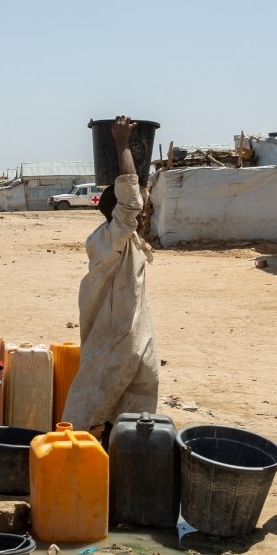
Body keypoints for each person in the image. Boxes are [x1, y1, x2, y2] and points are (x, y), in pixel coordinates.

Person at [60, 116, 160, 440]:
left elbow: (132, 200)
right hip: (114, 341)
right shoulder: (109, 239)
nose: (144, 213)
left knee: (135, 421)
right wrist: (121, 143)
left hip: (136, 342)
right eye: (139, 211)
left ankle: (121, 469)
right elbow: (130, 200)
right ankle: (67, 461)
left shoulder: (128, 241)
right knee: (84, 410)